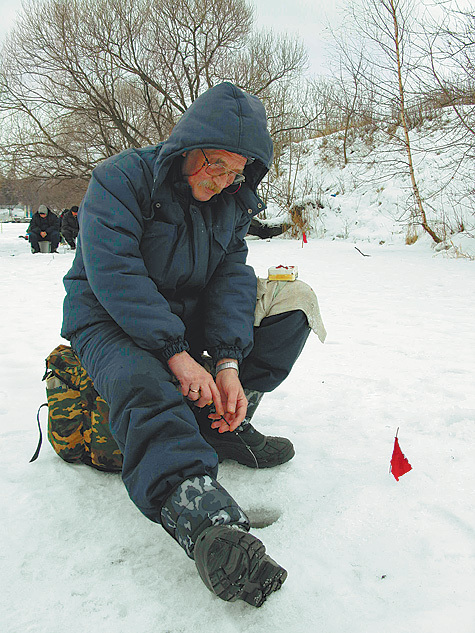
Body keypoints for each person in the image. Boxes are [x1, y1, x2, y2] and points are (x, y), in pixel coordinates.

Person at [61, 82, 325, 607]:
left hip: (190, 314)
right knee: (145, 381)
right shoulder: (120, 180)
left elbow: (231, 275)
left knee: (292, 302)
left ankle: (220, 420)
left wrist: (227, 361)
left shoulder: (232, 200)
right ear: (188, 145)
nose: (224, 179)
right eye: (215, 164)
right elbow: (115, 276)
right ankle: (209, 527)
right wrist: (175, 355)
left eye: (237, 171)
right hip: (110, 317)